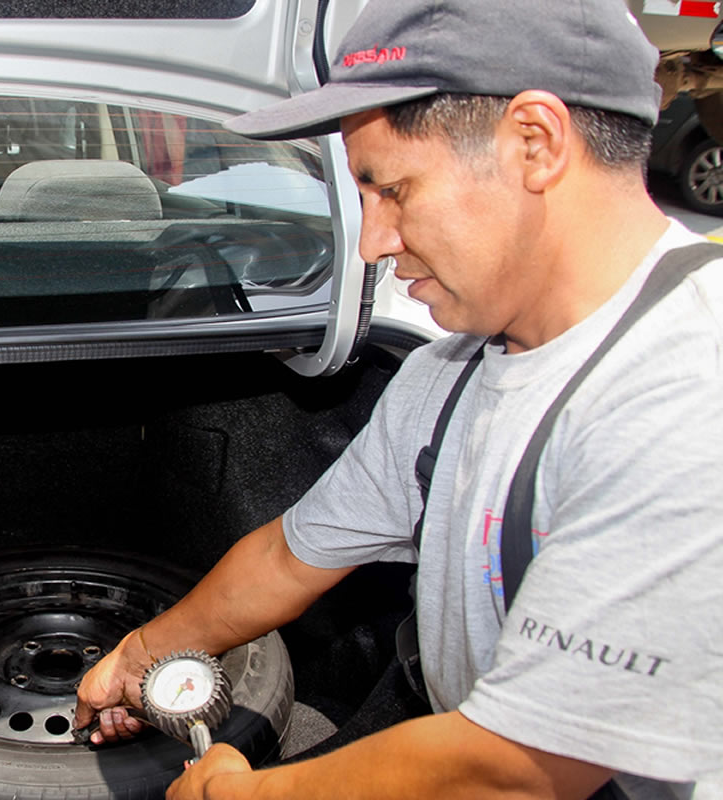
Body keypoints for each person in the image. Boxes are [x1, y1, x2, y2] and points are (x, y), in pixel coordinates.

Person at [71, 1, 723, 798]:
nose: (374, 240)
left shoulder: (691, 388)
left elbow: (516, 771)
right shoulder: (450, 371)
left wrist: (245, 794)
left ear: (535, 143)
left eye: (393, 189)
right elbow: (289, 556)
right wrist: (139, 657)